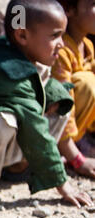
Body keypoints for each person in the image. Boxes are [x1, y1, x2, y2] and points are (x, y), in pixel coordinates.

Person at [0, 0, 93, 207]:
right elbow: (35, 125)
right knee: (3, 122)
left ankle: (21, 166)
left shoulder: (26, 51)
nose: (62, 43)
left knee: (61, 101)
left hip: (18, 139)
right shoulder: (10, 69)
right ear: (21, 36)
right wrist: (61, 181)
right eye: (55, 35)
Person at [51, 0, 95, 178]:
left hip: (82, 127)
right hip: (59, 133)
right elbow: (63, 107)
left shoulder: (87, 45)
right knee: (86, 83)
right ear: (69, 10)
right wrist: (78, 160)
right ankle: (69, 151)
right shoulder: (60, 51)